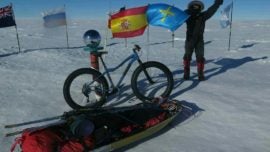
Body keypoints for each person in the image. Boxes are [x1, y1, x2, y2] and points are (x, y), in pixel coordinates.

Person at [183, 0, 223, 81]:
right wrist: (187, 12)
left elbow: (211, 10)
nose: (196, 8)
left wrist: (217, 3)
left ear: (200, 8)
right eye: (194, 6)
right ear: (191, 7)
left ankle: (200, 73)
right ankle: (186, 72)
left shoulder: (203, 16)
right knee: (187, 56)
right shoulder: (186, 15)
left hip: (199, 40)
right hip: (189, 40)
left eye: (197, 6)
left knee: (200, 57)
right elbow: (177, 16)